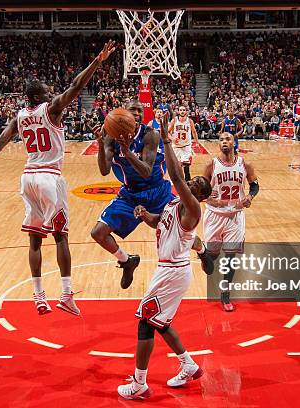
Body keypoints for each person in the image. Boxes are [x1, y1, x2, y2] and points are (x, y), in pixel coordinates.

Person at [0, 40, 117, 315]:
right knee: (61, 237)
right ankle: (67, 294)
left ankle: (38, 297)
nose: (51, 93)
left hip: (27, 178)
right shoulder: (52, 109)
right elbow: (76, 88)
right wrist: (97, 61)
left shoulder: (20, 117)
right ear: (39, 96)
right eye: (47, 92)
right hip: (49, 178)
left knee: (35, 240)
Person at [117, 116, 212, 400]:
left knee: (145, 321)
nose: (192, 182)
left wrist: (167, 140)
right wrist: (146, 216)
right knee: (162, 323)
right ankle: (189, 365)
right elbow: (161, 221)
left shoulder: (193, 208)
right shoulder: (174, 203)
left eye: (197, 183)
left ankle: (139, 383)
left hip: (173, 272)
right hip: (169, 270)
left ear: (201, 195)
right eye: (193, 179)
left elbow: (175, 174)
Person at [91, 102, 213, 290]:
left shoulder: (151, 134)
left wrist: (126, 152)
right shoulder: (110, 136)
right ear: (124, 114)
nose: (137, 114)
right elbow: (104, 170)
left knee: (181, 233)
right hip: (130, 194)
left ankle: (202, 250)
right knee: (98, 233)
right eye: (133, 111)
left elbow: (146, 171)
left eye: (140, 111)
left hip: (157, 191)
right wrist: (101, 144)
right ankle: (127, 261)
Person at [202, 132, 259, 312]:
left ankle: (225, 292)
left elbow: (255, 185)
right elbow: (200, 189)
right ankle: (203, 251)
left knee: (230, 256)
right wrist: (205, 195)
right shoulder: (211, 164)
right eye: (221, 139)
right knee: (211, 259)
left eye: (228, 139)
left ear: (234, 143)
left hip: (235, 215)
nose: (224, 142)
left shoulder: (245, 164)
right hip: (214, 215)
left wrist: (250, 196)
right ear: (218, 144)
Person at [168, 105, 199, 181]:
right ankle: (178, 179)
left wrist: (197, 142)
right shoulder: (174, 120)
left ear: (186, 111)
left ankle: (187, 180)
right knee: (177, 165)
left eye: (183, 110)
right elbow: (167, 132)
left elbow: (194, 132)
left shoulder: (190, 121)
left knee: (186, 164)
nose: (182, 111)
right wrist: (172, 138)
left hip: (186, 146)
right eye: (181, 110)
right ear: (178, 111)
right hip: (176, 146)